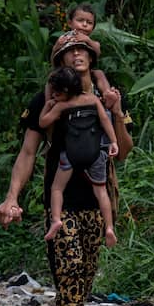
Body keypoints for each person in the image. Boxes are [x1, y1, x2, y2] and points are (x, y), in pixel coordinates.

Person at [0, 35, 133, 306]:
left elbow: (125, 150)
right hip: (62, 202)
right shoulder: (48, 101)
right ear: (59, 62)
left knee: (84, 279)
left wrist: (116, 112)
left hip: (97, 199)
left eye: (82, 50)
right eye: (69, 51)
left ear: (91, 57)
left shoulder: (108, 96)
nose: (77, 55)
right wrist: (12, 196)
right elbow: (28, 152)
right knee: (69, 270)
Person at [39, 67, 119, 246]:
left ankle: (57, 219)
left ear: (65, 91)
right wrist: (113, 142)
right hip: (95, 154)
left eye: (56, 92)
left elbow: (43, 122)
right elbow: (105, 120)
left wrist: (47, 105)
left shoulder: (61, 106)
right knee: (101, 192)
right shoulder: (92, 99)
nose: (53, 95)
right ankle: (109, 228)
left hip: (71, 155)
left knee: (57, 189)